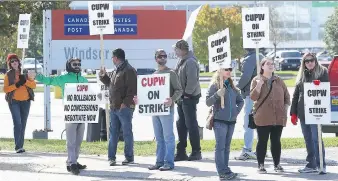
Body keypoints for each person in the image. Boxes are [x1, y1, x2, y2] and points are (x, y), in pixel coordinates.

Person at [35, 58, 88, 175]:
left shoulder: (84, 79)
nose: (77, 66)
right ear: (69, 65)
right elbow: (49, 81)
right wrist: (37, 76)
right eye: (75, 64)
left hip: (83, 114)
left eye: (79, 64)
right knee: (71, 140)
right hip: (70, 113)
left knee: (79, 140)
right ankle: (72, 163)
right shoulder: (63, 78)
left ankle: (72, 161)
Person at [134, 49, 182, 171]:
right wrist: (140, 100)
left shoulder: (171, 73)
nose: (162, 58)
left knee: (168, 137)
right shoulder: (154, 75)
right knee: (159, 137)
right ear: (156, 59)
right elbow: (149, 93)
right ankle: (159, 161)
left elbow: (179, 90)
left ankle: (169, 162)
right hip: (155, 110)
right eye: (160, 56)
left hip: (166, 110)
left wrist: (172, 99)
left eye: (164, 56)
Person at [290, 53, 329, 174]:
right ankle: (311, 164)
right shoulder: (302, 75)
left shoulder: (322, 72)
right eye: (306, 61)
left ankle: (321, 164)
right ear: (304, 63)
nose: (309, 63)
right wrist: (293, 113)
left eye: (311, 60)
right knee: (308, 139)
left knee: (316, 138)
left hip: (316, 112)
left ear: (315, 60)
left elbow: (325, 89)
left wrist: (317, 84)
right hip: (303, 113)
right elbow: (296, 95)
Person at [250, 58, 290, 173]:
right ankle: (261, 165)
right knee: (262, 141)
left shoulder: (278, 80)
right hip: (263, 117)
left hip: (278, 117)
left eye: (272, 64)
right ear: (262, 66)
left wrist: (285, 109)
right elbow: (253, 98)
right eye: (268, 64)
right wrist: (258, 86)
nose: (271, 66)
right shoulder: (256, 80)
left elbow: (287, 97)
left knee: (276, 141)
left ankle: (277, 164)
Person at [99, 48, 137, 166]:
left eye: (112, 57)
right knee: (113, 133)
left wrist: (124, 103)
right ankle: (111, 157)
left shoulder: (129, 70)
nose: (112, 59)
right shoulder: (116, 70)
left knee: (127, 132)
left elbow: (132, 89)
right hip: (114, 107)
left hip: (124, 108)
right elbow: (111, 84)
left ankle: (129, 157)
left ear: (115, 58)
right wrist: (103, 76)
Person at [206, 66, 244, 180]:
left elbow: (240, 101)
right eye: (226, 69)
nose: (229, 71)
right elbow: (208, 102)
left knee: (227, 147)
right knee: (220, 147)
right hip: (219, 121)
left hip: (231, 121)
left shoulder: (232, 86)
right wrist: (217, 94)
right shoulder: (215, 85)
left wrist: (236, 112)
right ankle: (221, 171)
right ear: (219, 70)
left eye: (230, 69)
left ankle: (226, 169)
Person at [173, 39, 202, 161]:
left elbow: (192, 80)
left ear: (182, 49)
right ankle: (181, 151)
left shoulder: (190, 62)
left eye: (176, 49)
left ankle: (196, 151)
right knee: (181, 124)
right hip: (181, 97)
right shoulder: (181, 61)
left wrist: (187, 95)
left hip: (188, 98)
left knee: (191, 124)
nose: (175, 52)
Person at [4, 53, 36, 153]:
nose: (14, 62)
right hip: (14, 102)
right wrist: (17, 85)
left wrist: (25, 81)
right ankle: (18, 146)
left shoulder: (25, 73)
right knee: (17, 123)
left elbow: (34, 85)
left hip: (26, 102)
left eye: (16, 60)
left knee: (23, 123)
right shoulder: (8, 75)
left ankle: (20, 146)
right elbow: (5, 89)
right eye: (12, 61)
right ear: (9, 63)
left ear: (19, 62)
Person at [235, 48, 264, 160]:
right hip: (261, 93)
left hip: (250, 93)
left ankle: (247, 149)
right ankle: (261, 148)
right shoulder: (261, 56)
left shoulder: (249, 59)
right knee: (260, 122)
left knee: (249, 123)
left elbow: (246, 77)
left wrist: (237, 87)